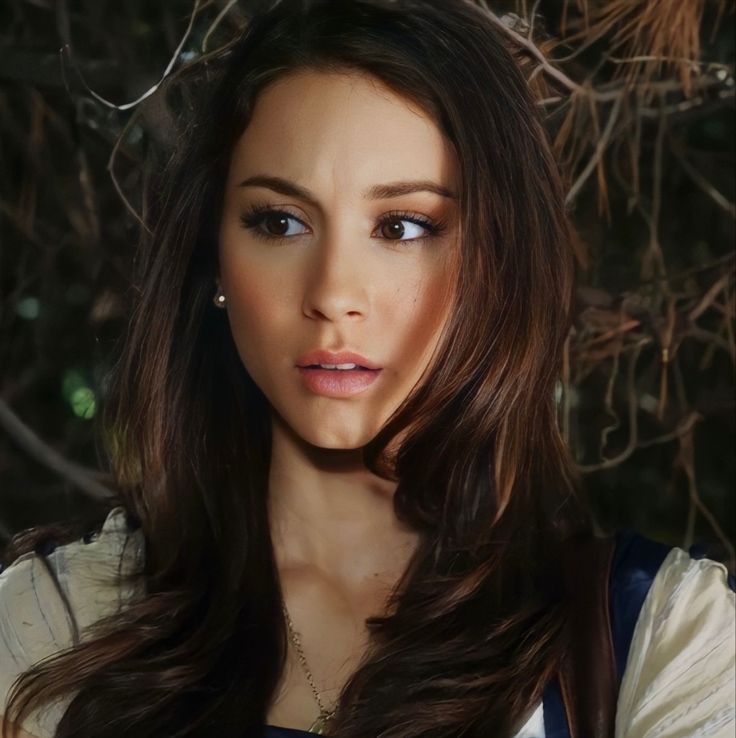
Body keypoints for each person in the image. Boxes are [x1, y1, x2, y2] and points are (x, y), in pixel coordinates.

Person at [1, 0, 734, 736]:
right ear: (215, 256)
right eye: (280, 222)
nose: (332, 296)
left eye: (403, 226)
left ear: (498, 263)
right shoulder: (55, 621)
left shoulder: (657, 640)